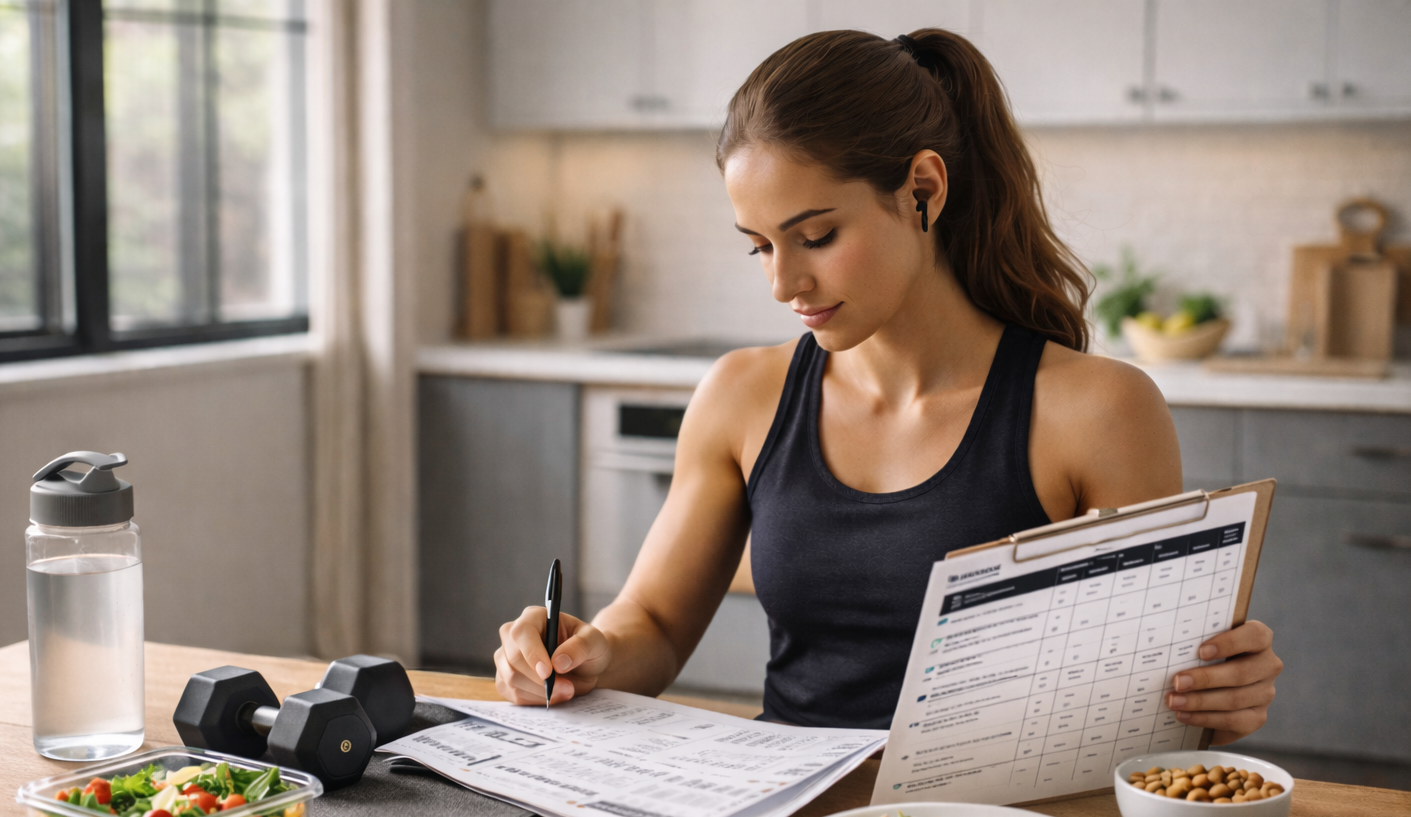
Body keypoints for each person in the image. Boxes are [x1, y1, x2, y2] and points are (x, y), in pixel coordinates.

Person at [493, 28, 1282, 746]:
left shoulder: (1098, 412)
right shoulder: (742, 397)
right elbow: (657, 625)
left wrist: (1214, 695)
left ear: (922, 190)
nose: (784, 283)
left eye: (816, 236)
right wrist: (587, 652)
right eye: (759, 247)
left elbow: (1149, 708)